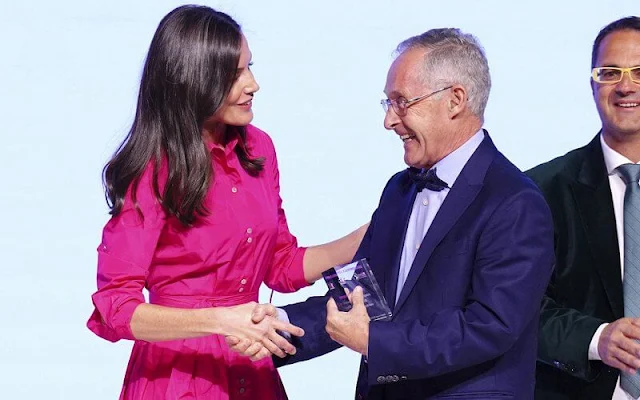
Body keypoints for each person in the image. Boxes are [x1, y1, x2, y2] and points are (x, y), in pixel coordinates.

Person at [229, 28, 555, 399]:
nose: (390, 121)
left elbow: (490, 326)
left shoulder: (515, 202)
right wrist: (279, 326)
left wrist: (374, 340)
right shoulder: (399, 190)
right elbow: (359, 299)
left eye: (402, 102)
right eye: (388, 104)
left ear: (455, 100)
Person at [86, 5, 367, 400]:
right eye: (234, 74)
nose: (253, 84)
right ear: (192, 79)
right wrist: (221, 321)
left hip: (249, 366)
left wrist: (363, 238)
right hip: (175, 378)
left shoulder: (259, 148)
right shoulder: (151, 170)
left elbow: (279, 265)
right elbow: (116, 307)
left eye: (250, 66)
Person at [528, 16, 640, 400]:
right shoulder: (539, 191)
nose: (626, 86)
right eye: (610, 72)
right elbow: (512, 308)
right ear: (592, 84)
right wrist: (596, 338)